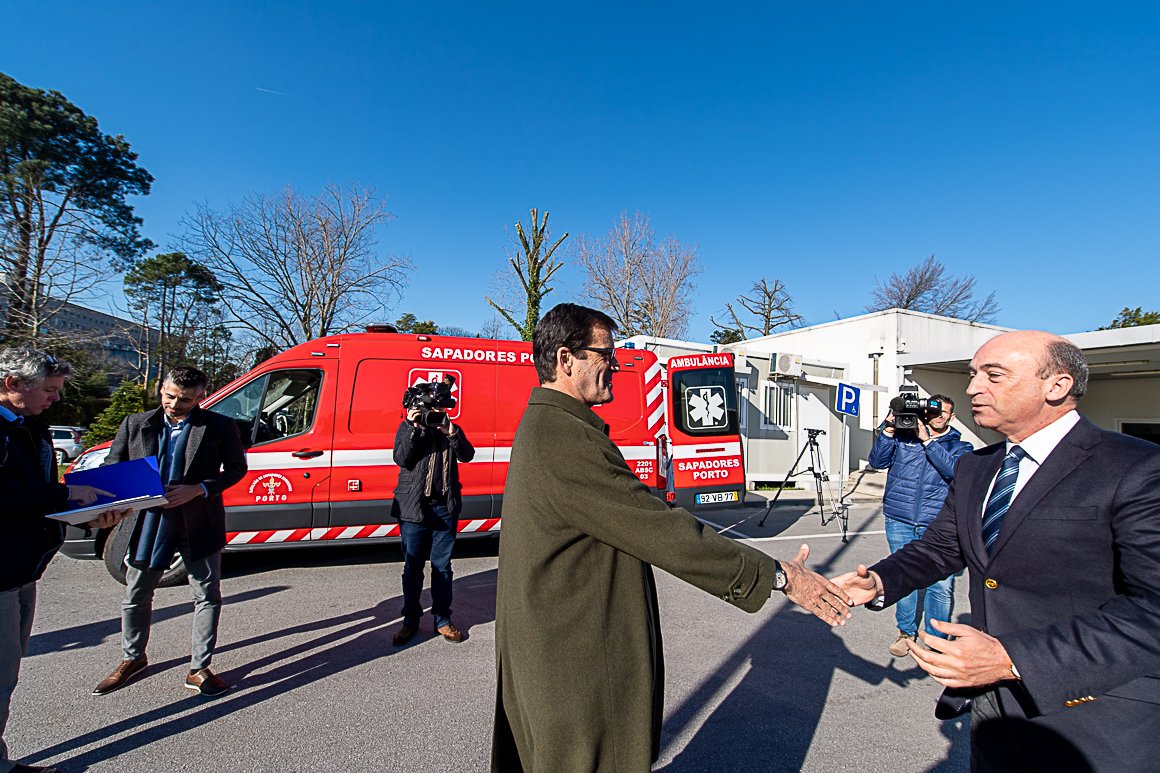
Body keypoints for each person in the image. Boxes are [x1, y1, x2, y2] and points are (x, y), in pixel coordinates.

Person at [491, 303, 852, 773]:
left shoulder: (548, 424)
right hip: (575, 662)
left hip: (555, 649)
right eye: (604, 354)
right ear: (565, 359)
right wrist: (780, 576)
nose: (614, 366)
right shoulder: (564, 436)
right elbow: (662, 530)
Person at [834, 331, 1160, 772]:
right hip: (994, 715)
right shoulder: (977, 466)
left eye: (994, 375)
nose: (972, 388)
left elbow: (1152, 609)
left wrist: (1012, 659)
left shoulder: (1137, 466)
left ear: (1057, 385)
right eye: (972, 374)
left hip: (1097, 718)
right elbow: (941, 547)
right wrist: (878, 580)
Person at [0, 346, 125, 773]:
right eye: (49, 390)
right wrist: (66, 494)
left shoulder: (29, 425)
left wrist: (88, 514)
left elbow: (35, 497)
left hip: (23, 570)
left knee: (7, 674)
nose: (56, 398)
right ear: (12, 383)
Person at [92, 366, 247, 698]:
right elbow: (112, 467)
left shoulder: (220, 426)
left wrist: (199, 489)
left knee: (207, 595)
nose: (175, 404)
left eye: (185, 400)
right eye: (170, 396)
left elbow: (237, 469)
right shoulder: (135, 424)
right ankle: (133, 658)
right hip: (147, 523)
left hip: (199, 523)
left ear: (201, 397)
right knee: (136, 594)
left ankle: (199, 668)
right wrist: (106, 502)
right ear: (161, 388)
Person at [867, 394, 972, 656]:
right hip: (899, 517)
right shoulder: (903, 437)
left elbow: (954, 472)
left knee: (940, 585)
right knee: (903, 577)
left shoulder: (961, 446)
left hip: (938, 524)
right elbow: (877, 462)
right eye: (933, 412)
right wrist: (888, 430)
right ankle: (906, 632)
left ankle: (935, 641)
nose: (938, 416)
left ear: (952, 416)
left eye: (943, 412)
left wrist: (928, 441)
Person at [389, 388, 475, 645]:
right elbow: (401, 458)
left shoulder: (449, 429)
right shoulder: (409, 427)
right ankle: (410, 620)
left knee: (442, 567)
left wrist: (452, 433)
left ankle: (442, 620)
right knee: (412, 568)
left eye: (441, 409)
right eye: (433, 409)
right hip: (414, 508)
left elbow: (467, 455)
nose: (437, 414)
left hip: (444, 508)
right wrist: (414, 427)